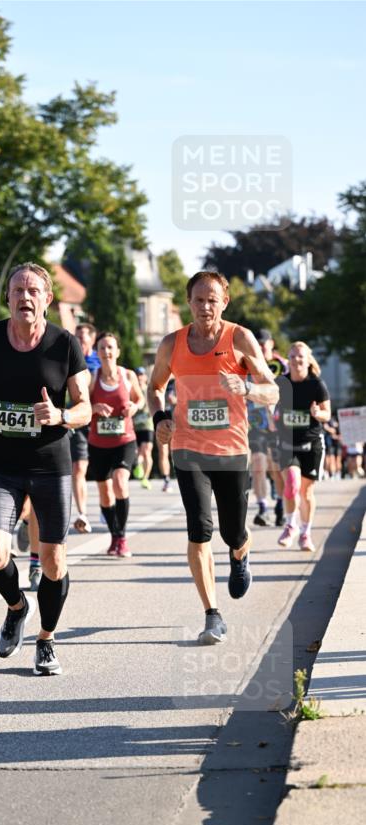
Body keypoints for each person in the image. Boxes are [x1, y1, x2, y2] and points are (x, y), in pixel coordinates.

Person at [0, 261, 91, 675]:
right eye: (18, 290)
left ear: (47, 299)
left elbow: (85, 407)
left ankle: (46, 640)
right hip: (2, 462)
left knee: (53, 562)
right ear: (8, 298)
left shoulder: (64, 344)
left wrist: (61, 416)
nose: (25, 297)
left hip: (50, 464)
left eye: (33, 291)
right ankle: (17, 607)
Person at [148, 270, 279, 645]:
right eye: (198, 300)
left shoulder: (239, 338)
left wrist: (248, 387)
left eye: (212, 300)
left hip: (232, 449)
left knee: (232, 531)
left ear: (225, 302)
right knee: (199, 529)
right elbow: (155, 387)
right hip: (188, 448)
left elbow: (272, 391)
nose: (205, 307)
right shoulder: (172, 344)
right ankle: (212, 614)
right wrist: (160, 418)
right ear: (188, 302)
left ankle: (240, 553)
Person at [87, 332, 143, 557]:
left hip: (124, 440)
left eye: (110, 347)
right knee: (105, 494)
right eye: (102, 348)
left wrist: (134, 407)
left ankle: (122, 537)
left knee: (120, 482)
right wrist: (94, 408)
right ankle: (114, 536)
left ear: (118, 351)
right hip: (98, 443)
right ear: (97, 352)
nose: (106, 352)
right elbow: (81, 406)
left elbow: (140, 399)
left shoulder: (128, 375)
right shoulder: (92, 377)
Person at [276, 342, 331, 553]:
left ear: (308, 360)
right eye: (292, 356)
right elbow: (270, 404)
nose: (296, 360)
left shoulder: (317, 385)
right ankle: (291, 525)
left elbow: (327, 413)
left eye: (300, 356)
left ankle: (306, 533)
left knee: (306, 493)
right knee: (291, 484)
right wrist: (272, 415)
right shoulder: (281, 383)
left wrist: (318, 413)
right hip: (287, 444)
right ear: (288, 360)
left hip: (312, 444)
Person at [248, 328, 287, 527]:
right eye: (258, 344)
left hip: (278, 425)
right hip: (256, 424)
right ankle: (263, 508)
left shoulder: (282, 365)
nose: (261, 347)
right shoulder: (248, 365)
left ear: (271, 344)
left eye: (264, 344)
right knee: (258, 465)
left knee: (276, 469)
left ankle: (280, 505)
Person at [69, 322, 100, 532]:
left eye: (83, 337)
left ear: (92, 339)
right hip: (79, 421)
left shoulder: (101, 360)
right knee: (79, 467)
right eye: (76, 337)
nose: (79, 341)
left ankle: (108, 506)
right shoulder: (69, 359)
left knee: (104, 472)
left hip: (101, 423)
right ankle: (82, 514)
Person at [132, 366, 154, 489]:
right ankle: (137, 464)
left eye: (141, 375)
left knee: (146, 451)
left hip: (147, 425)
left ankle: (145, 478)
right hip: (135, 426)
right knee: (137, 452)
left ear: (145, 377)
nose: (139, 377)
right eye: (137, 375)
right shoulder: (133, 391)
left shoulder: (149, 390)